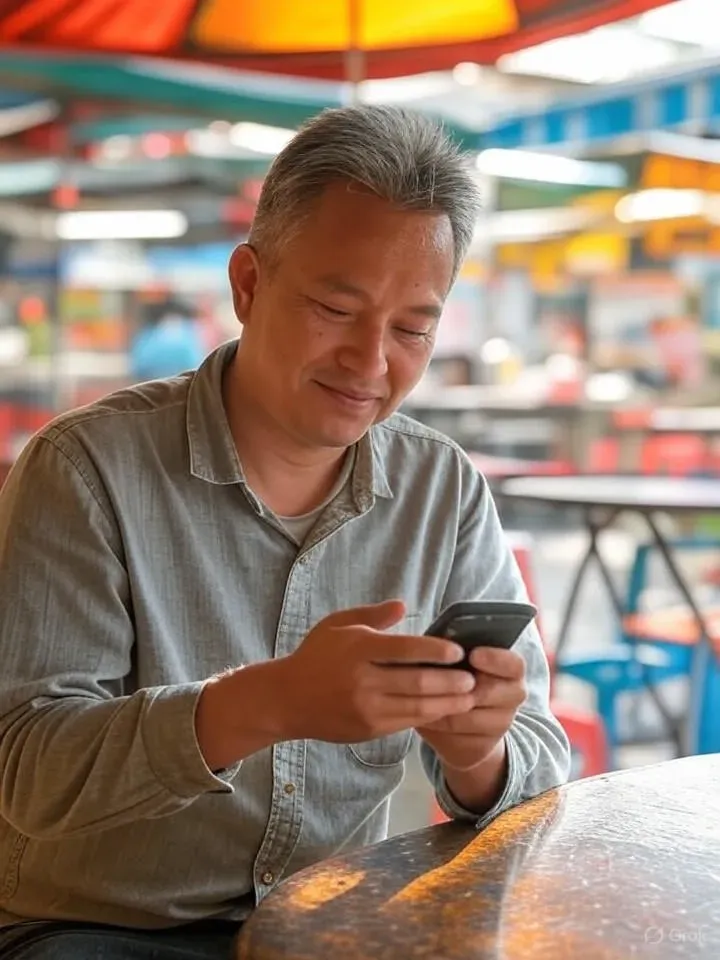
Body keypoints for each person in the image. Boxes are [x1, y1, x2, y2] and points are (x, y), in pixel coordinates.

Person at [0, 105, 570, 959]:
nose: (372, 361)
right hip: (98, 929)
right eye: (336, 309)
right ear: (248, 285)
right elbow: (26, 767)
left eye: (413, 326)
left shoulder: (440, 489)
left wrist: (479, 751)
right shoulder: (85, 469)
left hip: (330, 922)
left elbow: (540, 750)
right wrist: (267, 703)